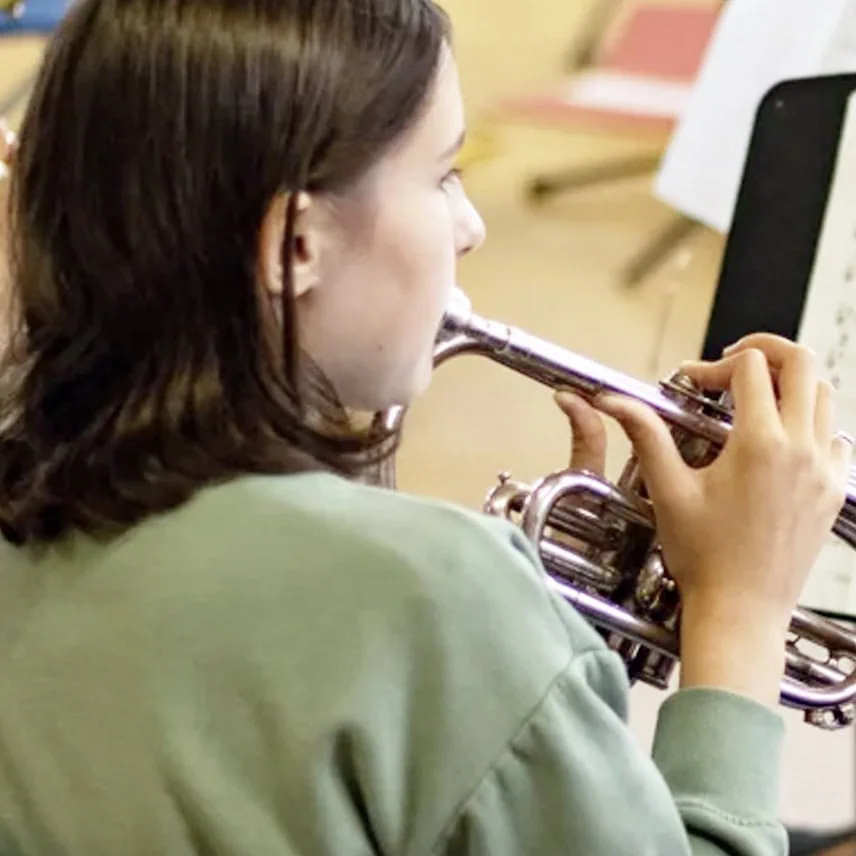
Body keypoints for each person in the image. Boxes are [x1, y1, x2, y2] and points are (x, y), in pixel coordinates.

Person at [0, 1, 852, 854]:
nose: (471, 229)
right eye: (444, 175)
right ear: (296, 245)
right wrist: (740, 611)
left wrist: (547, 675)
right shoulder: (435, 594)